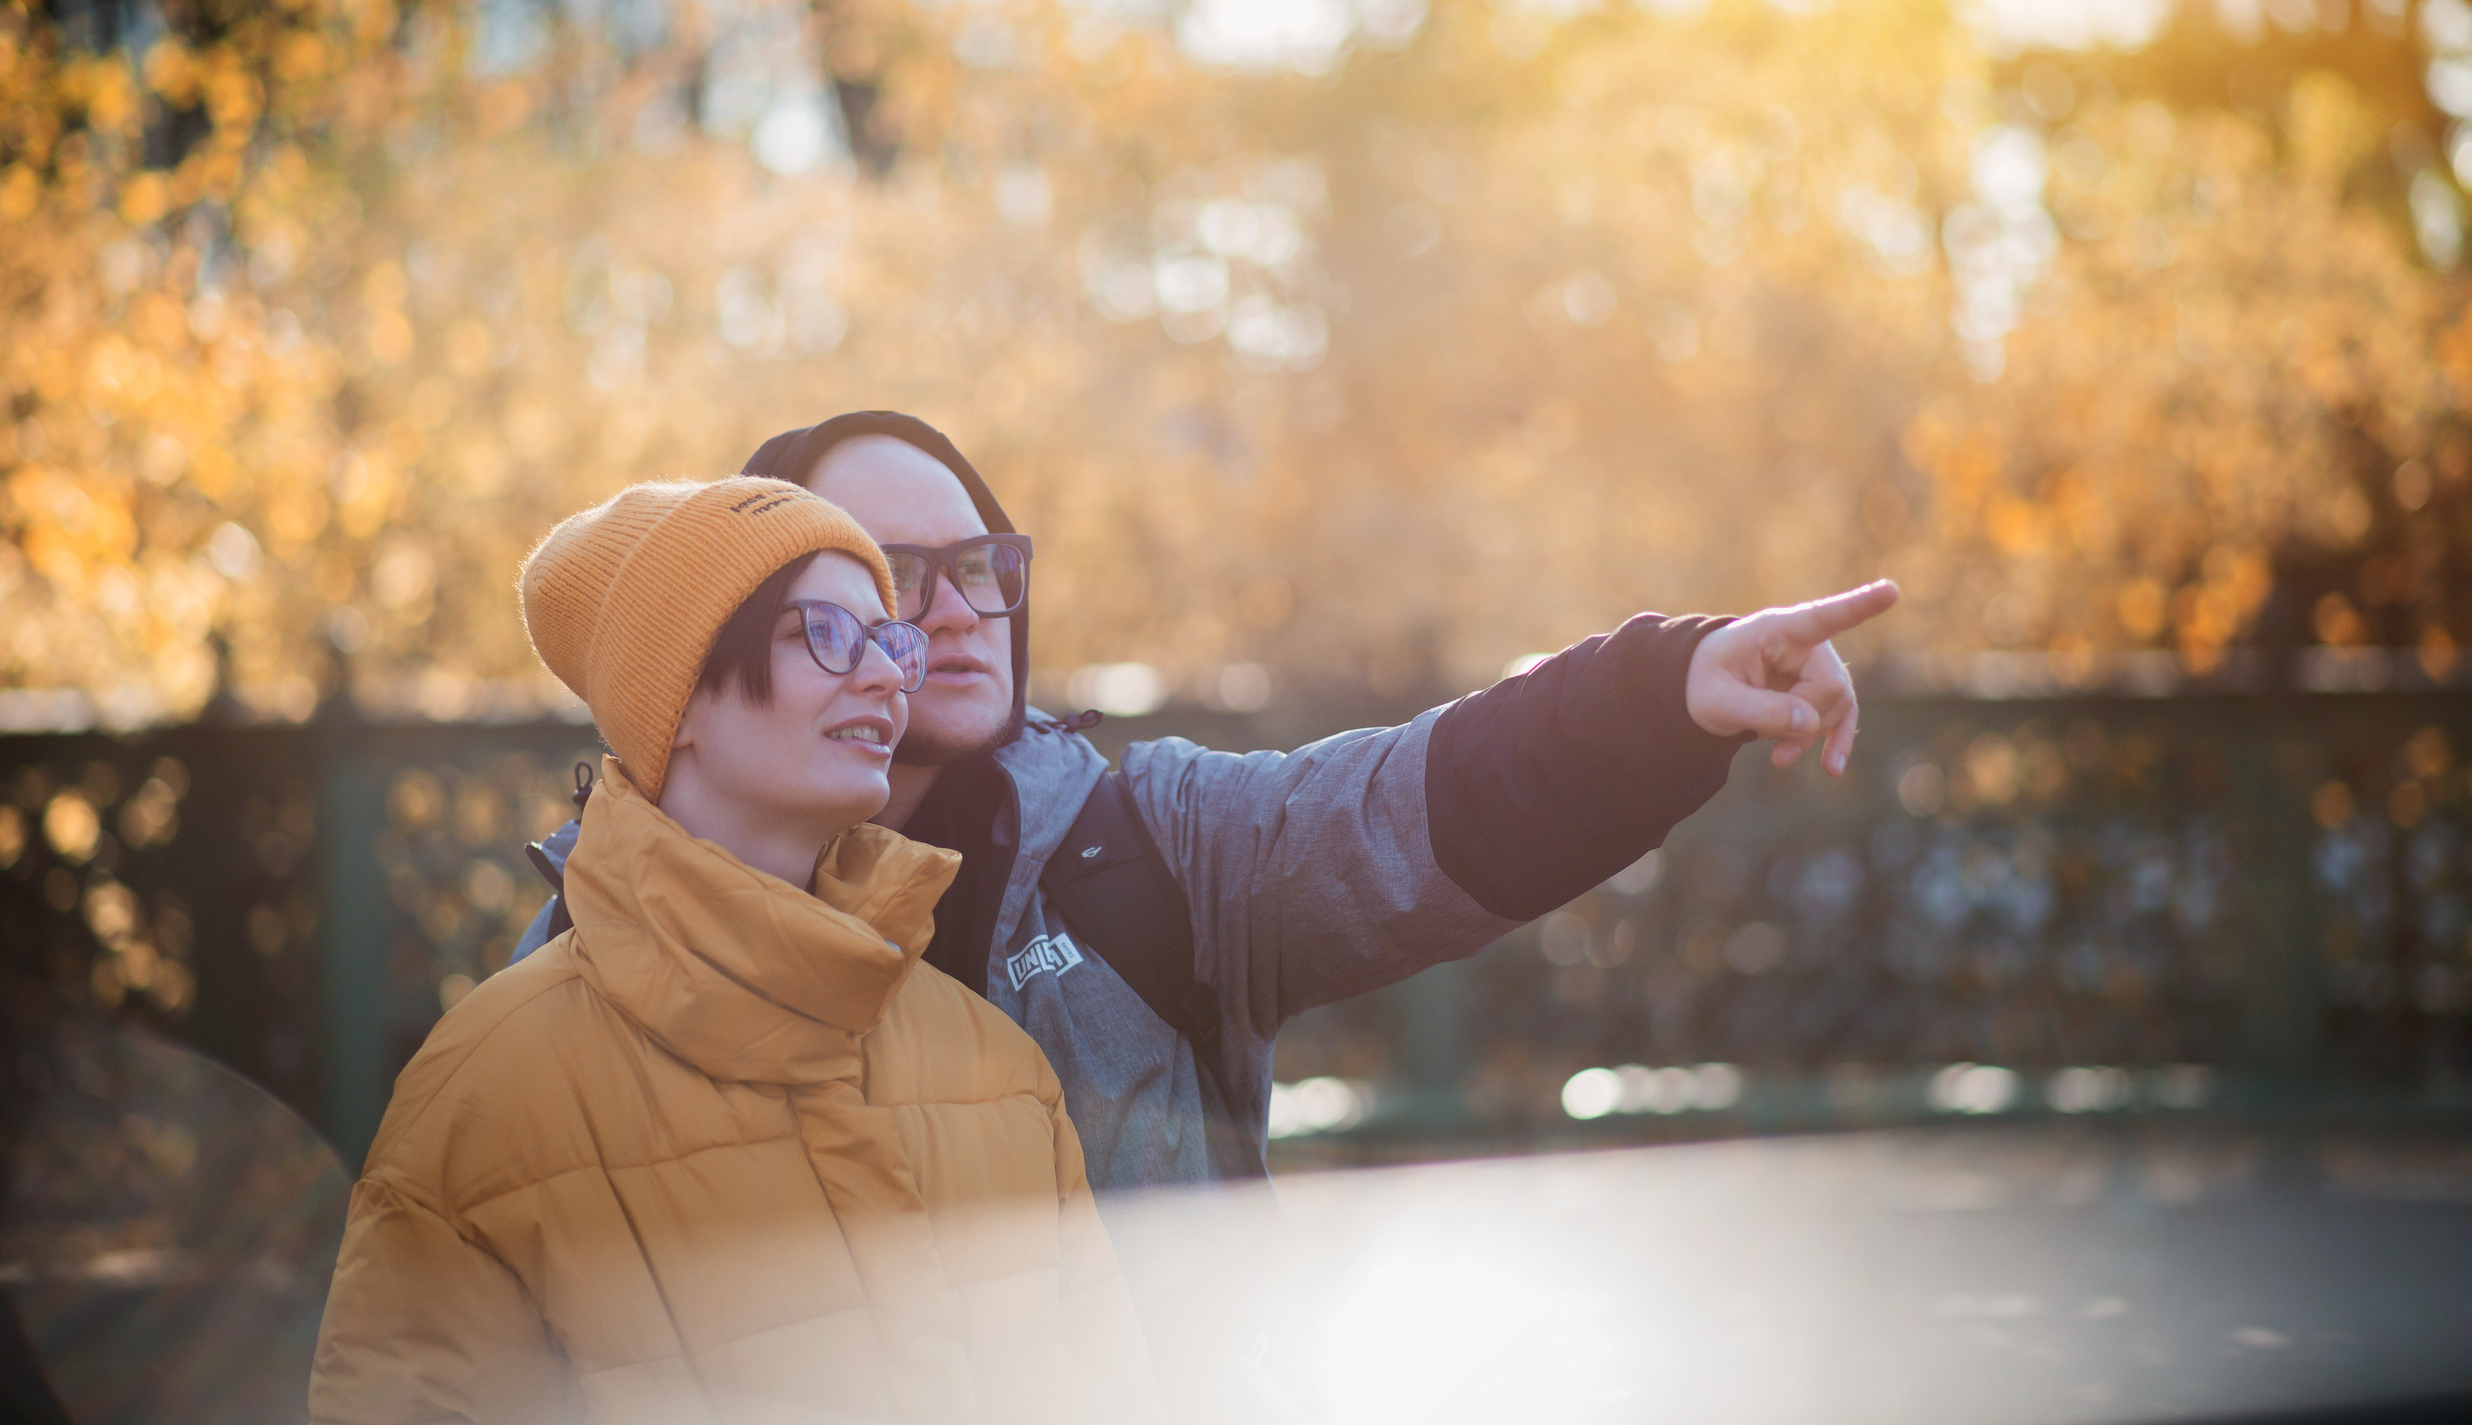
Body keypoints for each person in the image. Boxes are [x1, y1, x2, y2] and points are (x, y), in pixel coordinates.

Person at [515, 413, 1897, 1197]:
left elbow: (1415, 800)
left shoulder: (1146, 846)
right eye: (888, 575)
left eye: (981, 558)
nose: (953, 610)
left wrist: (1668, 687)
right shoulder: (607, 955)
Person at [312, 476, 1160, 1425]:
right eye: (824, 634)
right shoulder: (484, 1095)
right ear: (676, 701)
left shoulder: (996, 1067)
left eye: (889, 640)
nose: (886, 675)